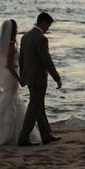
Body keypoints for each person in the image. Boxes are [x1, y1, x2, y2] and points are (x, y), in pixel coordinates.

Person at [18, 12, 62, 146]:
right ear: (43, 22)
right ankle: (23, 138)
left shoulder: (25, 37)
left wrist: (23, 76)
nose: (48, 28)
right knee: (34, 108)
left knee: (39, 107)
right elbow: (47, 60)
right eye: (48, 25)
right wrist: (57, 77)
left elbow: (21, 60)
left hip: (30, 78)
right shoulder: (41, 38)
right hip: (38, 79)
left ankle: (46, 135)